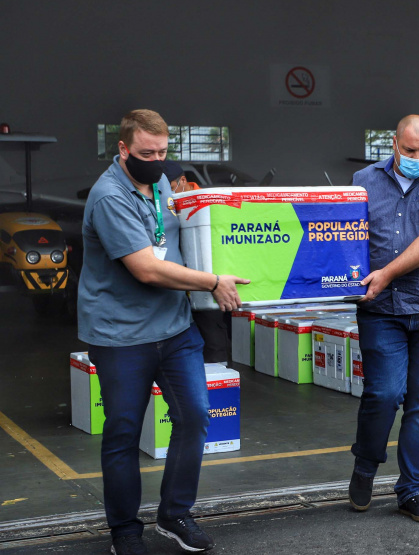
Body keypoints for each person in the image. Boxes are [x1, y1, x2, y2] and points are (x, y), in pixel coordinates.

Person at [78, 109, 249, 555]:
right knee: (123, 432)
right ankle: (124, 532)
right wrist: (213, 283)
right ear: (123, 149)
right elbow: (147, 270)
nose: (156, 161)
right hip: (121, 336)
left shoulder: (160, 185)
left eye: (163, 152)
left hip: (174, 328)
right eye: (146, 153)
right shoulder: (108, 197)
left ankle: (174, 515)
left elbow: (188, 234)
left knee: (194, 415)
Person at [347, 114, 419, 522]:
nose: (417, 157)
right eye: (410, 150)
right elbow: (341, 235)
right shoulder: (363, 181)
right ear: (393, 143)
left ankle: (412, 489)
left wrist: (387, 273)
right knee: (383, 394)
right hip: (380, 310)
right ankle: (365, 467)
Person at [164, 160, 230, 366]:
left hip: (209, 284)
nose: (165, 194)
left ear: (183, 181)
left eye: (169, 188)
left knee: (213, 339)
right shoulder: (164, 205)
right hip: (176, 282)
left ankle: (218, 382)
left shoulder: (210, 205)